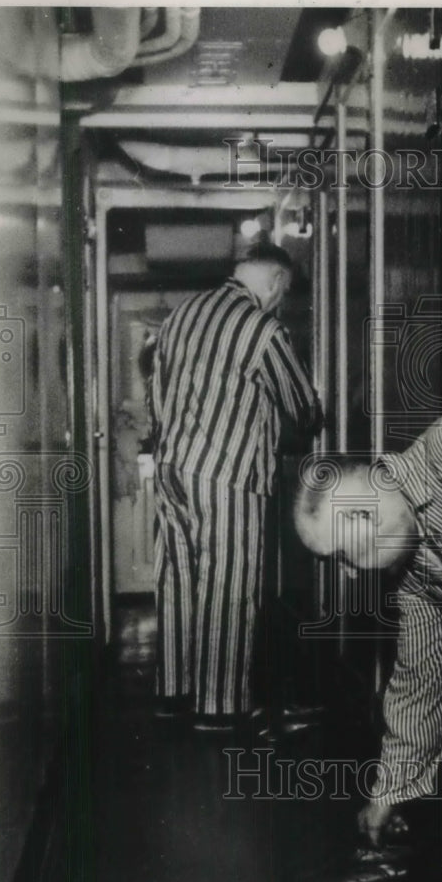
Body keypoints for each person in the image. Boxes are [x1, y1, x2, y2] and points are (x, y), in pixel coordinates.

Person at [293, 389, 442, 882]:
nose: (350, 577)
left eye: (342, 557)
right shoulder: (416, 577)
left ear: (363, 517)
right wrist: (388, 793)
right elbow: (421, 685)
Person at [149, 242, 321, 729]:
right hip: (229, 472)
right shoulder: (261, 328)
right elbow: (301, 404)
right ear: (275, 283)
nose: (280, 302)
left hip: (171, 466)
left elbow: (157, 394)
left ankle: (174, 692)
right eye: (282, 292)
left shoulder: (181, 316)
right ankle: (220, 707)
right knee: (230, 583)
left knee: (178, 579)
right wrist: (313, 415)